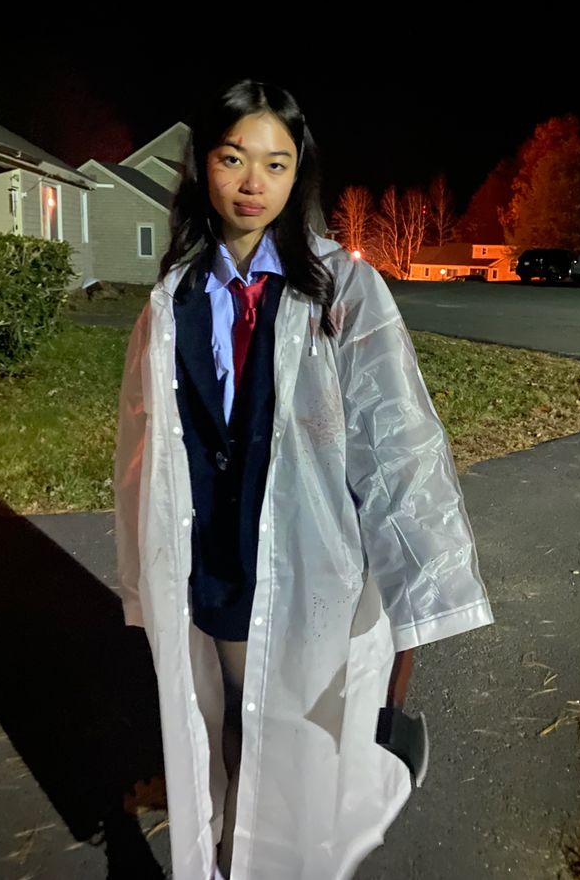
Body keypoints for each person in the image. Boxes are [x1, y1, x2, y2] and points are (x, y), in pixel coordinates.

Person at [114, 79, 493, 880]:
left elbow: (394, 437)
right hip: (213, 553)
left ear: (298, 176)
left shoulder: (342, 291)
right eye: (233, 158)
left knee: (300, 732)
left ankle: (286, 853)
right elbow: (143, 438)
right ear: (202, 167)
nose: (254, 183)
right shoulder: (174, 296)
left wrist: (421, 573)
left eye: (276, 164)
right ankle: (226, 838)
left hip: (307, 556)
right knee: (224, 712)